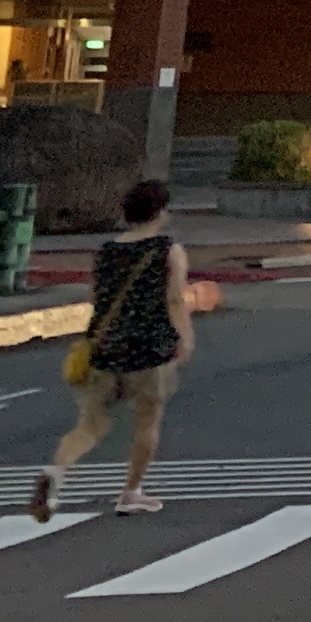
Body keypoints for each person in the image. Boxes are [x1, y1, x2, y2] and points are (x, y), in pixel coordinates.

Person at [30, 178, 192, 520]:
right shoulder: (168, 250)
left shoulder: (106, 251)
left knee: (90, 425)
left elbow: (98, 298)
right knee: (147, 422)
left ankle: (55, 474)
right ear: (160, 212)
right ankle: (130, 492)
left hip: (106, 348)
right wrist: (185, 336)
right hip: (150, 347)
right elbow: (174, 298)